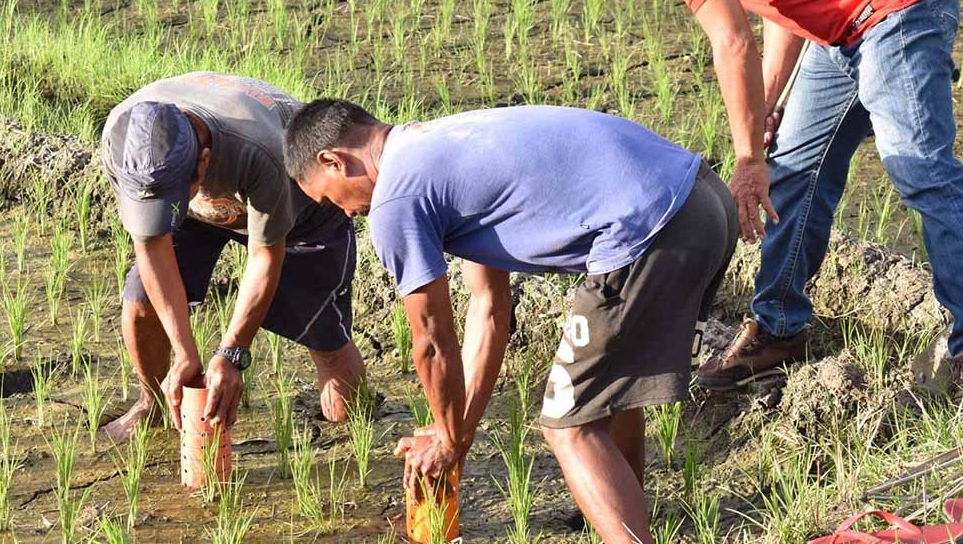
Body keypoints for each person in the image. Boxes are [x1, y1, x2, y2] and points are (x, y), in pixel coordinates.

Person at [540, 0, 962, 390]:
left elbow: (730, 41)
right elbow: (779, 3)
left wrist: (746, 161)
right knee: (793, 171)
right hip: (839, 25)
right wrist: (765, 105)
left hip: (894, 3)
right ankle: (779, 329)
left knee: (920, 171)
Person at [283, 99, 737, 544]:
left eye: (328, 198)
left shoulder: (395, 200)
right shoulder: (440, 146)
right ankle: (616, 519)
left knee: (567, 425)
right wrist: (455, 434)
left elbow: (433, 344)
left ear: (334, 161)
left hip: (650, 228)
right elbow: (490, 308)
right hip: (704, 200)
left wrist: (446, 438)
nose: (344, 213)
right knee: (608, 393)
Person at [99, 72, 366, 442]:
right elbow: (150, 242)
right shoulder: (123, 139)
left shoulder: (261, 152)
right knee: (141, 299)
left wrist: (232, 352)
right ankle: (152, 403)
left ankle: (355, 439)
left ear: (204, 164)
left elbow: (265, 256)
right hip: (196, 210)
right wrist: (185, 352)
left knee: (326, 339)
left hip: (298, 208)